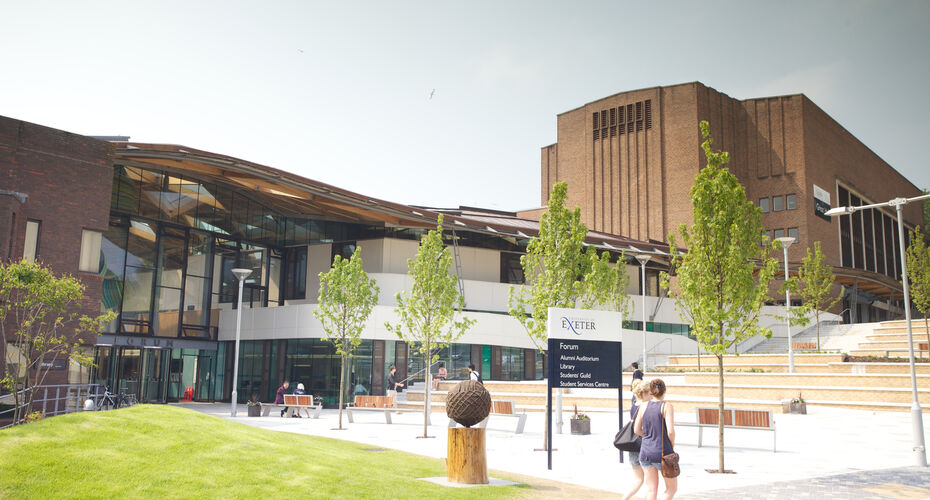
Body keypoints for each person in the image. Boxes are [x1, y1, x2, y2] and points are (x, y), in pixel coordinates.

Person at [634, 378, 677, 500]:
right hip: (663, 452)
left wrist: (649, 437)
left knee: (651, 490)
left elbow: (636, 430)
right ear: (665, 390)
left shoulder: (643, 406)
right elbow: (670, 431)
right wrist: (671, 446)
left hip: (646, 452)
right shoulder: (667, 406)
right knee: (671, 489)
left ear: (651, 391)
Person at [623, 380, 653, 500]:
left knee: (638, 479)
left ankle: (624, 498)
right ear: (645, 393)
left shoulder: (634, 406)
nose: (652, 395)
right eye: (650, 392)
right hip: (645, 446)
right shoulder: (647, 407)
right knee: (650, 482)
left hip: (633, 446)